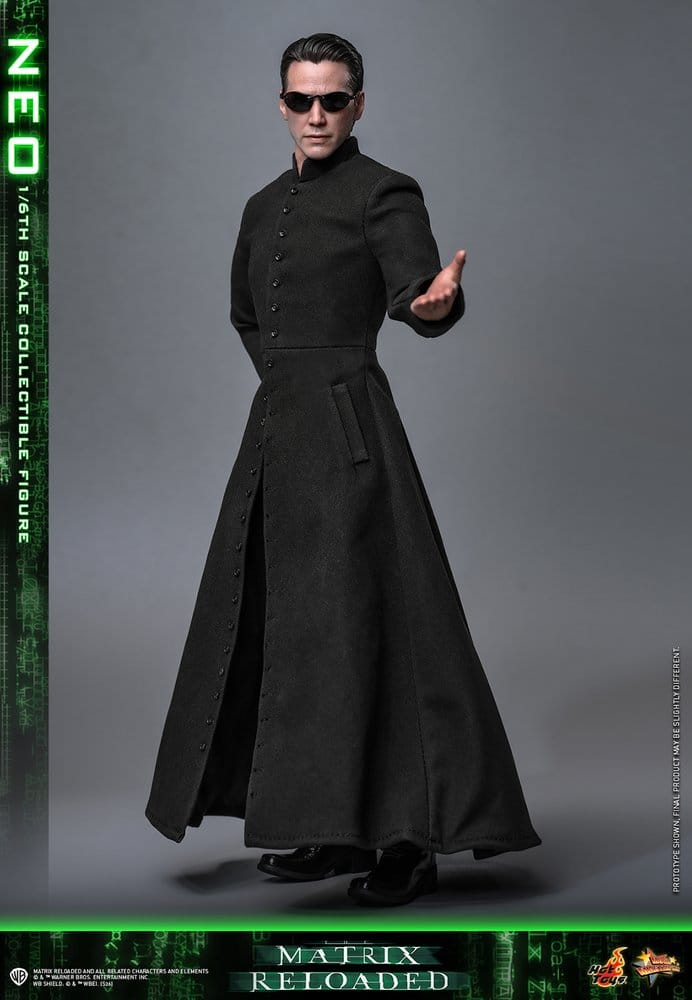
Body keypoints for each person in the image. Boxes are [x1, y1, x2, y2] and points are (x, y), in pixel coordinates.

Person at [145, 32, 541, 907]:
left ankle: (407, 838)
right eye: (301, 99)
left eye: (333, 100)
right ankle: (329, 827)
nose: (316, 115)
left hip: (351, 435)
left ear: (359, 105)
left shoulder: (384, 191)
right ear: (281, 104)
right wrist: (289, 386)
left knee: (375, 627)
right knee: (296, 632)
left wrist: (434, 306)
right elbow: (246, 315)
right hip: (275, 436)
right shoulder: (261, 206)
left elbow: (417, 294)